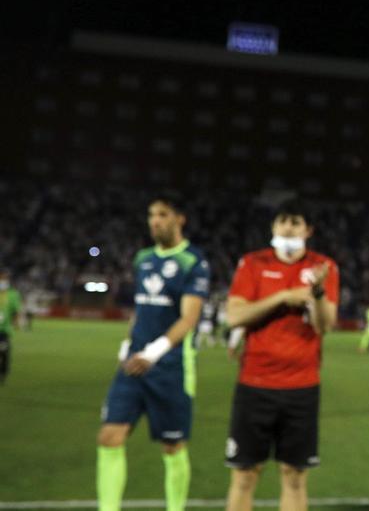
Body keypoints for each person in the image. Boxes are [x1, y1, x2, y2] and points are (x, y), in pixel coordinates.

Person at [96, 195, 210, 511]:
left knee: (172, 447)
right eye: (151, 215)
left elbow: (189, 318)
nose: (154, 221)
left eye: (162, 214)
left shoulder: (193, 261)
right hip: (134, 363)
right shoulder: (143, 258)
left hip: (170, 367)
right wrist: (126, 346)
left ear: (179, 218)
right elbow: (141, 309)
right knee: (109, 436)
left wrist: (154, 352)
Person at [223, 202, 340, 511]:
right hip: (254, 384)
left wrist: (317, 293)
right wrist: (283, 297)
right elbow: (234, 316)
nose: (288, 228)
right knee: (245, 475)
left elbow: (324, 325)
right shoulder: (252, 264)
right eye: (282, 222)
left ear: (308, 230)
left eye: (295, 222)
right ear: (273, 227)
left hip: (301, 387)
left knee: (294, 477)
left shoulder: (323, 267)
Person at [0, 269, 22, 385]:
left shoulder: (13, 294)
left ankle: (3, 372)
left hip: (4, 329)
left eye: (4, 279)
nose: (2, 281)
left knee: (4, 351)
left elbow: (16, 310)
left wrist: (17, 322)